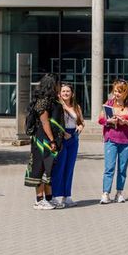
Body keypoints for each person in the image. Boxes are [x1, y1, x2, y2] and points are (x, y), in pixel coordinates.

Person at [25, 74, 63, 210]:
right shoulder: (43, 101)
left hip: (50, 140)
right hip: (42, 140)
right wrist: (52, 140)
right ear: (52, 85)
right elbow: (44, 122)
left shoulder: (52, 100)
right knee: (40, 168)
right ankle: (39, 200)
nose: (60, 86)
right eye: (58, 84)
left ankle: (49, 198)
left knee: (49, 169)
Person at [99, 79, 128, 204]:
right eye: (115, 91)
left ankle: (119, 193)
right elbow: (100, 120)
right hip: (111, 138)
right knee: (109, 167)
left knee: (122, 168)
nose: (116, 93)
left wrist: (127, 122)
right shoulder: (109, 103)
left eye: (119, 91)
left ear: (125, 93)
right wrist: (109, 121)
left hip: (126, 140)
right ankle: (105, 193)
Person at [49, 83, 83, 208]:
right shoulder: (57, 107)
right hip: (61, 138)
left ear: (72, 93)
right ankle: (56, 196)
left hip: (73, 138)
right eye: (63, 91)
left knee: (69, 168)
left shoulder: (76, 107)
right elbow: (53, 122)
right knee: (59, 167)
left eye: (68, 91)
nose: (65, 93)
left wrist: (80, 127)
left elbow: (81, 122)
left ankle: (67, 195)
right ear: (60, 93)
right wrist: (63, 133)